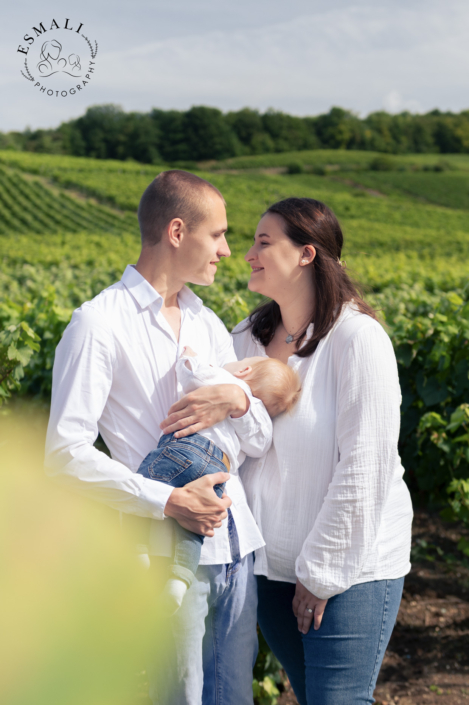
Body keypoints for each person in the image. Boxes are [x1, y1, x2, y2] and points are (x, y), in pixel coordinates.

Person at [44, 170, 273, 705]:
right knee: (182, 698)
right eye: (217, 234)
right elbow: (65, 454)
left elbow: (257, 440)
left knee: (233, 697)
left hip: (237, 547)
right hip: (163, 552)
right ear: (176, 231)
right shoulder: (97, 324)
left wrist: (239, 400)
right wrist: (169, 499)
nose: (226, 249)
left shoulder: (208, 323)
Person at [232, 197, 413, 705]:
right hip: (270, 569)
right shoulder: (248, 337)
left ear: (307, 254)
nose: (248, 253)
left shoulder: (358, 340)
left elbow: (366, 467)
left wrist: (322, 574)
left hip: (349, 572)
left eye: (263, 242)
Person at [135, 346, 301, 614]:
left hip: (187, 447)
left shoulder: (225, 381)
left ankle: (137, 549)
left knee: (143, 486)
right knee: (194, 524)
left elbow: (192, 376)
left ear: (244, 370)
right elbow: (259, 446)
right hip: (217, 468)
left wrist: (189, 358)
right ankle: (179, 579)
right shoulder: (254, 412)